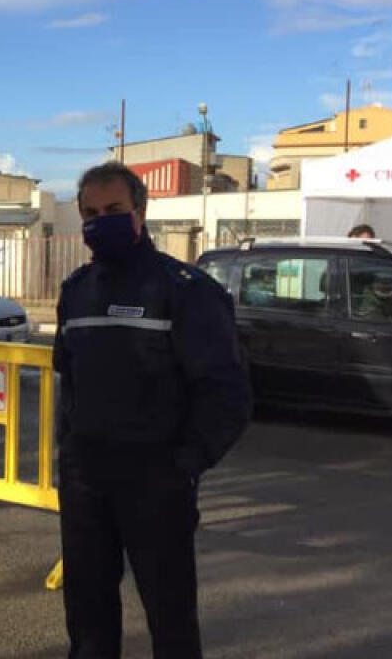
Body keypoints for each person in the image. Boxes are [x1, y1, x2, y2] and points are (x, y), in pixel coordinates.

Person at [54, 162, 252, 658]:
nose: (102, 220)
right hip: (86, 480)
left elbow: (227, 392)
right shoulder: (75, 291)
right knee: (88, 614)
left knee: (170, 617)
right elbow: (69, 379)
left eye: (115, 210)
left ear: (140, 212)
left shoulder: (186, 291)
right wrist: (69, 453)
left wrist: (182, 465)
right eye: (91, 213)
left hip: (156, 480)